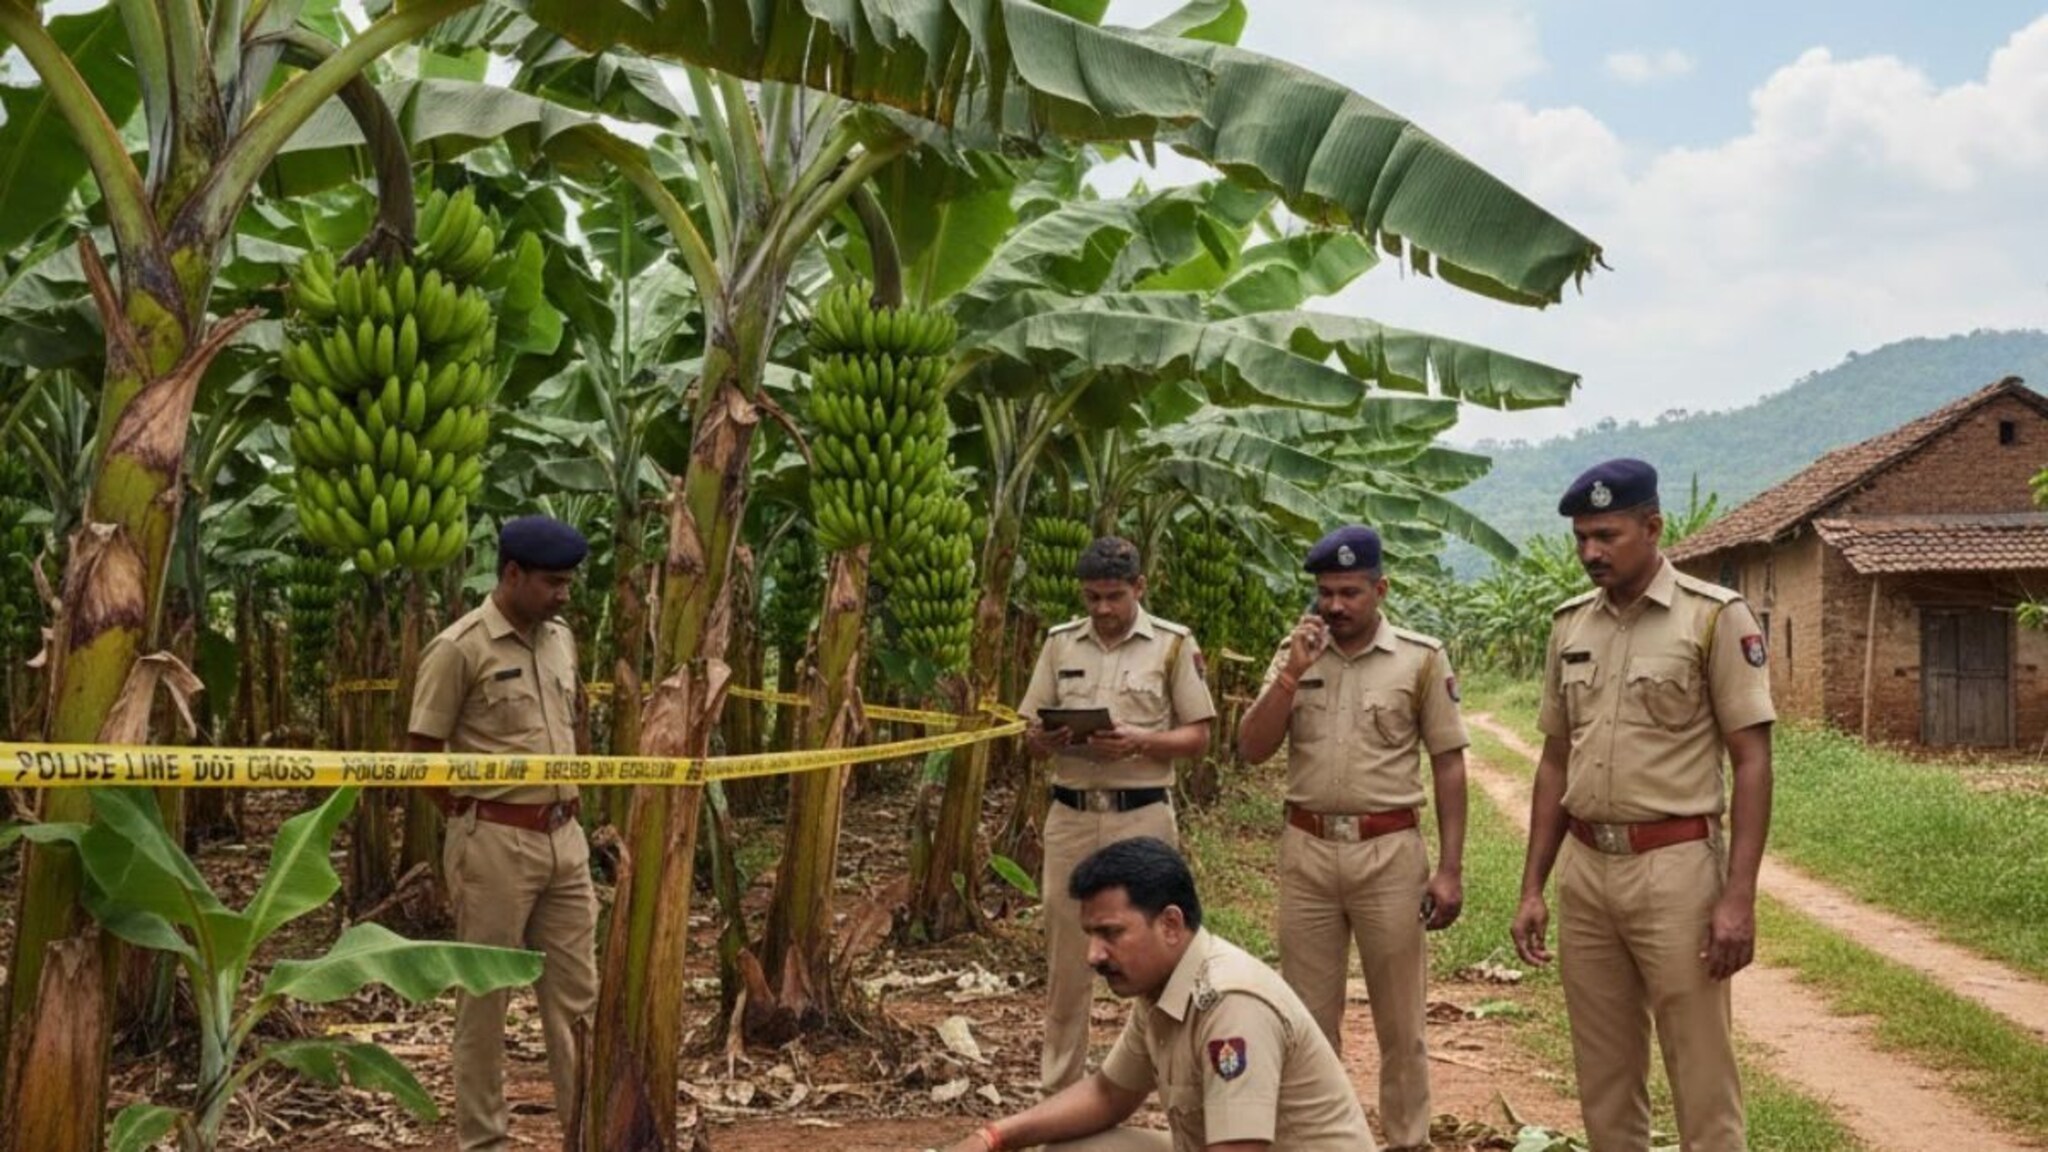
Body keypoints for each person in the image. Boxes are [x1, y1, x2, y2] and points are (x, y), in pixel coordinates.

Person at [1509, 459, 1775, 1152]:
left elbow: (1752, 761)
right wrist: (1533, 884)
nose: (1590, 552)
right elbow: (1554, 761)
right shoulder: (1569, 626)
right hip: (1588, 872)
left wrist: (1737, 898)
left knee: (1700, 1068)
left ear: (1653, 527)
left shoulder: (1713, 617)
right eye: (1581, 540)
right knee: (1602, 1072)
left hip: (1676, 868)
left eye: (1606, 535)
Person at [1235, 525, 1468, 1152]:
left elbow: (1448, 762)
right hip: (1307, 851)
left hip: (1390, 853)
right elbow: (1251, 748)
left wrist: (1449, 868)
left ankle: (1407, 1139)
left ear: (1379, 588)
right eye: (1325, 594)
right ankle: (1321, 1141)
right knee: (1306, 1018)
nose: (1335, 607)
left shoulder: (1420, 658)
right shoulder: (1295, 653)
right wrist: (1290, 675)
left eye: (1349, 593)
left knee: (1401, 1021)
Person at [934, 837, 1376, 1152]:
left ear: (1169, 923)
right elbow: (1110, 1095)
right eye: (1090, 935)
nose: (1093, 955)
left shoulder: (1230, 1003)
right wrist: (995, 1137)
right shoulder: (1162, 987)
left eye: (1111, 933)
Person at [406, 515, 597, 1152]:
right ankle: (484, 1142)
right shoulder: (460, 647)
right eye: (552, 582)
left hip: (565, 841)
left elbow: (573, 724)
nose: (564, 594)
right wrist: (466, 818)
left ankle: (588, 1131)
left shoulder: (560, 639)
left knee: (578, 1002)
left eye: (569, 582)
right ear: (511, 574)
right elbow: (423, 747)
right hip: (494, 843)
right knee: (485, 1005)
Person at [1018, 536, 1217, 1093]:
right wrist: (1047, 736)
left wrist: (1141, 741)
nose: (1102, 609)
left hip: (1142, 815)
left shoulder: (1173, 645)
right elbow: (1029, 736)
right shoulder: (1060, 645)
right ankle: (1059, 1089)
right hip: (1073, 814)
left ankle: (1172, 1077)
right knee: (1066, 956)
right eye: (1091, 598)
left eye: (1112, 597)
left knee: (1156, 948)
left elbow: (1198, 736)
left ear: (1139, 588)